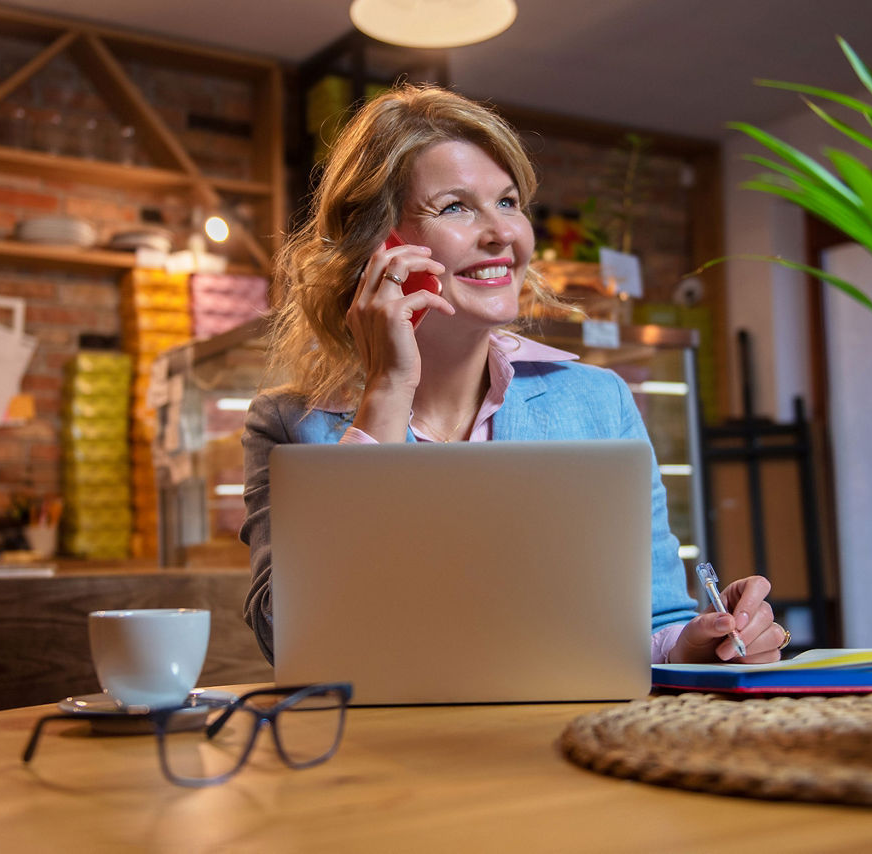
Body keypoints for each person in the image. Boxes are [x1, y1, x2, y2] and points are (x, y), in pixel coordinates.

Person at [240, 84, 787, 666]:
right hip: (384, 749)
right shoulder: (287, 425)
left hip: (563, 744)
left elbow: (654, 622)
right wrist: (387, 391)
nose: (502, 232)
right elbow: (288, 636)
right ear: (378, 245)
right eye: (455, 207)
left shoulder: (599, 401)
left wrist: (703, 642)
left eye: (507, 202)